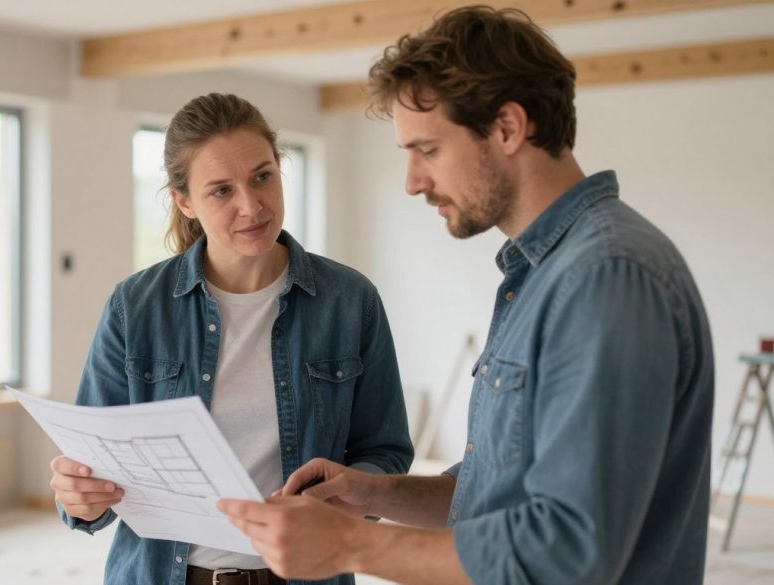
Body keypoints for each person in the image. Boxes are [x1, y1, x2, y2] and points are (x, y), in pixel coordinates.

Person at [219, 6, 714, 584]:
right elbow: (500, 493)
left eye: (427, 150)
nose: (412, 182)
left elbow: (566, 551)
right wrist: (372, 493)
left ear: (507, 127)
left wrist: (351, 545)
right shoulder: (546, 272)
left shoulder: (605, 276)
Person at [49, 93, 414, 585]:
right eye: (221, 190)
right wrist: (79, 497)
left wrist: (342, 504)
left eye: (263, 176)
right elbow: (93, 470)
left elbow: (385, 449)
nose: (251, 205)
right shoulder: (134, 307)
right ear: (185, 201)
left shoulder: (350, 301)